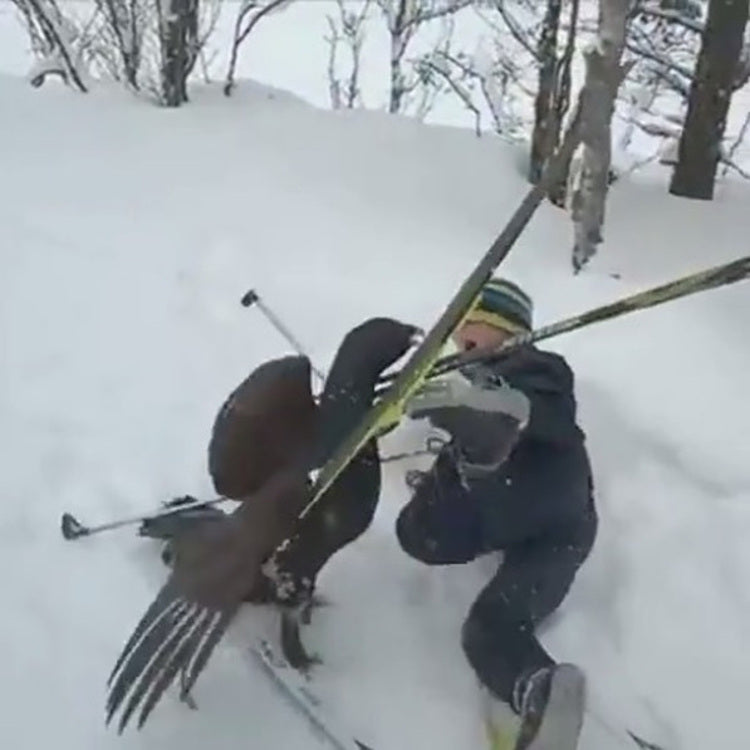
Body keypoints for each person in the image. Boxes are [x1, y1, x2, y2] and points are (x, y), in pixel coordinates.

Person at [398, 277, 597, 746]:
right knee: (491, 624)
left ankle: (491, 435)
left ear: (508, 329)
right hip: (548, 528)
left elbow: (553, 414)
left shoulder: (539, 366)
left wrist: (503, 401)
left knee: (508, 414)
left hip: (546, 494)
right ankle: (540, 692)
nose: (463, 333)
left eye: (477, 324)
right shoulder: (468, 387)